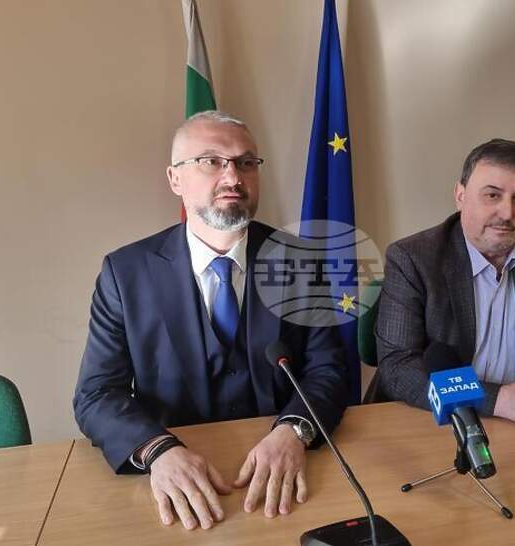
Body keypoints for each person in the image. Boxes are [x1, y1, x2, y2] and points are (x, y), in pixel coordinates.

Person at [73, 111, 348, 531]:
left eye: (246, 162)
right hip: (177, 477)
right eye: (211, 161)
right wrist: (157, 450)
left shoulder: (298, 261)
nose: (233, 177)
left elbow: (328, 369)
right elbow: (96, 393)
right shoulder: (126, 273)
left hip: (282, 473)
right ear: (175, 179)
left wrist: (294, 431)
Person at [368, 138, 515, 441]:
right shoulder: (413, 258)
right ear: (460, 196)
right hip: (428, 422)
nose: (507, 213)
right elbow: (399, 368)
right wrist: (500, 400)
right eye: (492, 195)